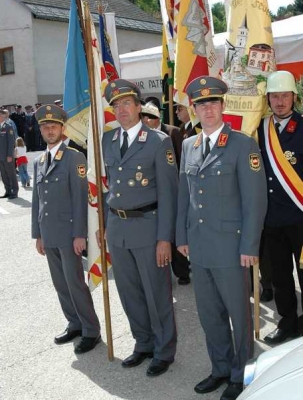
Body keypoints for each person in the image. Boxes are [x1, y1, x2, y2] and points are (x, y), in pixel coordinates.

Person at [176, 76, 267, 400]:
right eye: (201, 104)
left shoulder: (243, 145)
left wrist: (249, 247)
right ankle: (220, 368)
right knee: (209, 315)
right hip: (198, 247)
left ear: (223, 105)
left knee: (239, 316)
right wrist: (181, 237)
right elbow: (183, 196)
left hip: (231, 248)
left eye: (213, 102)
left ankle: (241, 374)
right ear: (194, 109)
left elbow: (255, 201)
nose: (208, 109)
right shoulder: (190, 145)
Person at [102, 79, 178, 377]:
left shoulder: (158, 141)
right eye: (116, 105)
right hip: (118, 228)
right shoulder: (108, 140)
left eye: (126, 104)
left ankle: (164, 350)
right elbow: (109, 188)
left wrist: (164, 239)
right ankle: (143, 342)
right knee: (129, 292)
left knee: (156, 292)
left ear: (137, 106)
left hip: (148, 228)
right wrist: (105, 226)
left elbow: (169, 195)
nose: (121, 110)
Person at [32, 104, 101, 354]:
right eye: (45, 127)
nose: (49, 130)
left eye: (54, 126)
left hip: (70, 234)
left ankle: (91, 330)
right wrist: (37, 234)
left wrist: (79, 234)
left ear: (62, 128)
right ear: (41, 130)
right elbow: (37, 202)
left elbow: (80, 199)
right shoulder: (40, 161)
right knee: (60, 283)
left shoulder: (74, 158)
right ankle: (74, 323)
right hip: (49, 234)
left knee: (75, 283)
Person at [258, 70, 303, 345]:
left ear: (294, 97)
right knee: (279, 275)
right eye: (274, 96)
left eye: (284, 95)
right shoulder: (259, 129)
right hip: (272, 217)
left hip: (300, 215)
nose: (279, 101)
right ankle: (287, 322)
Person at [142, 101, 191, 285]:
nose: (147, 120)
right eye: (144, 117)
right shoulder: (144, 137)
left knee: (174, 233)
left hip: (173, 188)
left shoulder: (172, 132)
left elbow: (180, 160)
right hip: (153, 191)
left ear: (157, 118)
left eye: (151, 117)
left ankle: (182, 271)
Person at [0, 109, 19, 199]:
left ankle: (14, 192)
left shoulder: (8, 127)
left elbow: (11, 142)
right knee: (4, 175)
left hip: (7, 156)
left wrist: (9, 155)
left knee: (11, 174)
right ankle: (8, 191)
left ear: (2, 116)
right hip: (0, 156)